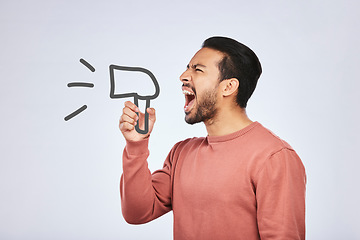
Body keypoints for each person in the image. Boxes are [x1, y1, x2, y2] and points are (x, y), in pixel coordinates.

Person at [119, 36, 306, 240]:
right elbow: (137, 213)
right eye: (187, 68)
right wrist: (136, 145)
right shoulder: (182, 153)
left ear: (228, 87)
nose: (183, 76)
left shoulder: (274, 157)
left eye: (197, 69)